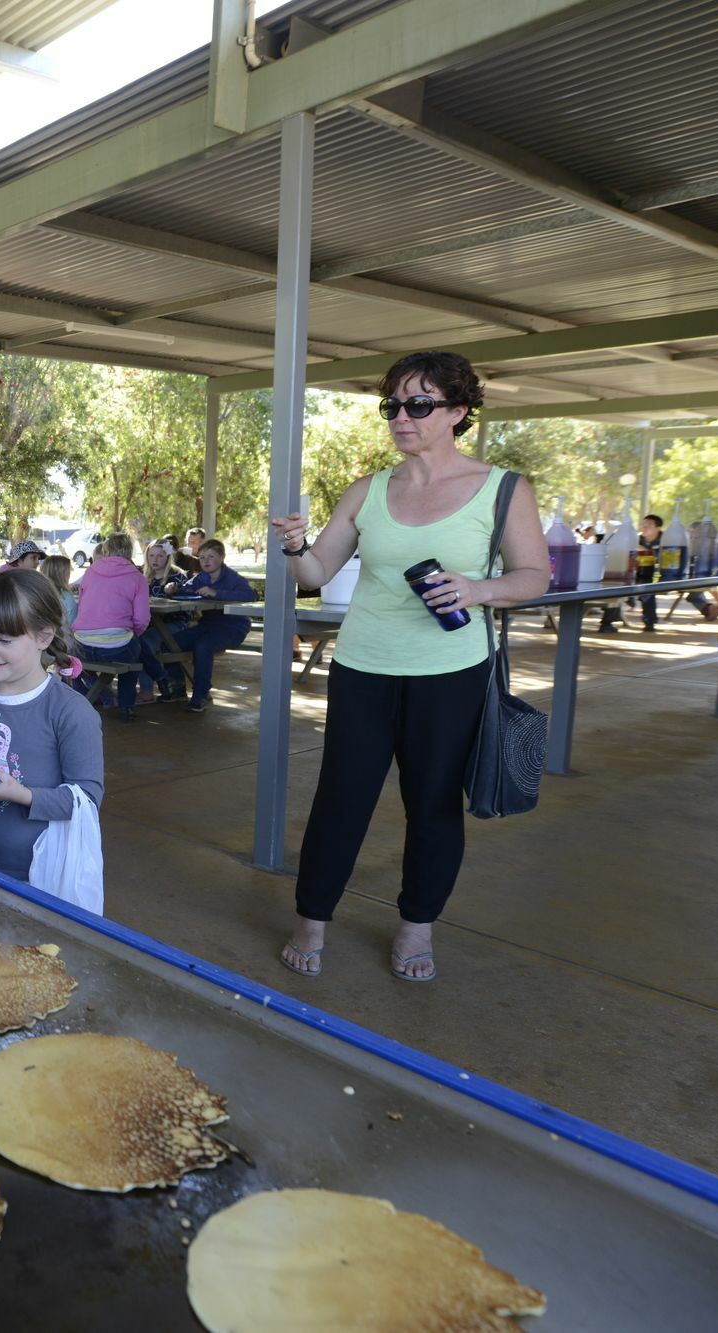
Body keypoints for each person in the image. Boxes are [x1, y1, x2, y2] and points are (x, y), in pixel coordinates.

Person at [268, 349, 549, 983]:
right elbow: (313, 575)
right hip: (364, 665)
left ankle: (416, 928)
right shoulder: (368, 491)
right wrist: (294, 546)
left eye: (418, 404)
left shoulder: (503, 488)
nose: (401, 416)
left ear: (457, 411)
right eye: (392, 404)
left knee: (432, 805)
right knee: (342, 799)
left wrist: (476, 590)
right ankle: (312, 919)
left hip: (452, 673)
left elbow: (535, 576)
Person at [0, 569, 104, 884]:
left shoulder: (70, 711)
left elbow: (85, 801)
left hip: (40, 873)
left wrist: (20, 794)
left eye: (4, 640)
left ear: (43, 637)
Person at [160, 538, 255, 712]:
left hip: (233, 627)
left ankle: (201, 695)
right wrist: (173, 588)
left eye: (211, 557)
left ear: (222, 557)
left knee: (202, 647)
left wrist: (216, 593)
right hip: (207, 625)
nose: (206, 561)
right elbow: (186, 589)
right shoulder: (201, 577)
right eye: (202, 557)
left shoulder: (233, 578)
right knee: (168, 643)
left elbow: (250, 595)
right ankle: (178, 689)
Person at [67, 534, 149, 720]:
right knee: (136, 653)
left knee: (74, 661)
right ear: (129, 551)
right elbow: (142, 619)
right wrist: (131, 632)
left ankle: (85, 697)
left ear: (105, 550)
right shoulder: (137, 577)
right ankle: (126, 706)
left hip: (82, 644)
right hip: (116, 647)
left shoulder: (90, 572)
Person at [599, 514, 662, 634]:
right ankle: (607, 622)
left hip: (653, 575)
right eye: (643, 524)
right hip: (632, 572)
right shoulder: (635, 538)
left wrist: (647, 551)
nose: (644, 527)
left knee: (648, 592)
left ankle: (649, 621)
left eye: (649, 525)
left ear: (657, 528)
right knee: (615, 590)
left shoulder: (665, 540)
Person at [40, 554, 78, 625]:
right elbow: (73, 623)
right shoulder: (66, 597)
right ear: (61, 574)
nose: (70, 573)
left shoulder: (39, 592)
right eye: (68, 570)